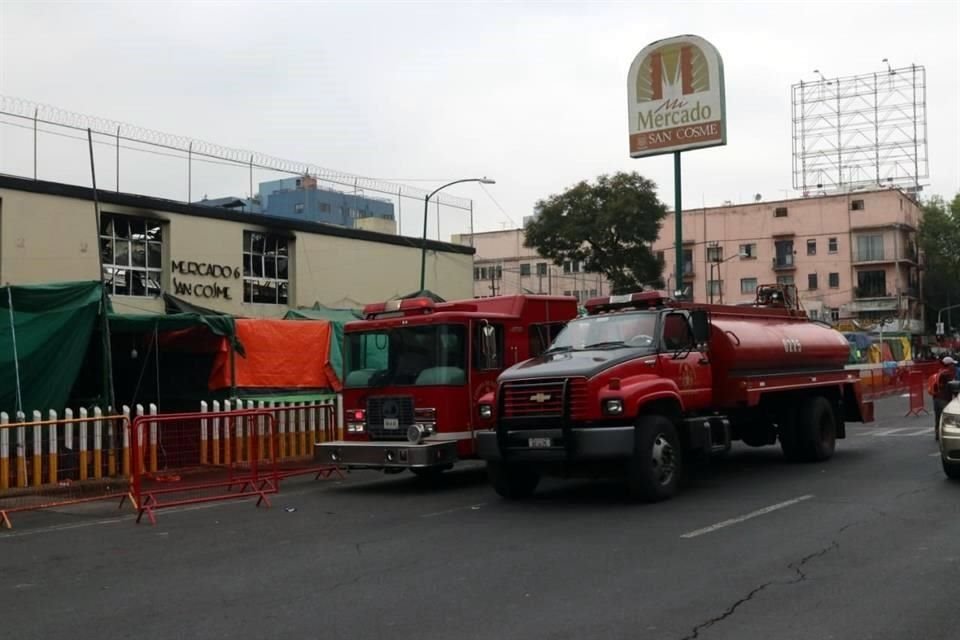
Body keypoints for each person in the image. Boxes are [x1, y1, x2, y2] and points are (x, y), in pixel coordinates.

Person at [930, 356, 958, 440]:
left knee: (938, 417)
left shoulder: (940, 372)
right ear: (949, 365)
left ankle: (938, 434)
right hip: (944, 400)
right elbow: (952, 387)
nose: (954, 366)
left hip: (936, 398)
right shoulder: (947, 374)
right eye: (952, 364)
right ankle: (945, 435)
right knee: (946, 418)